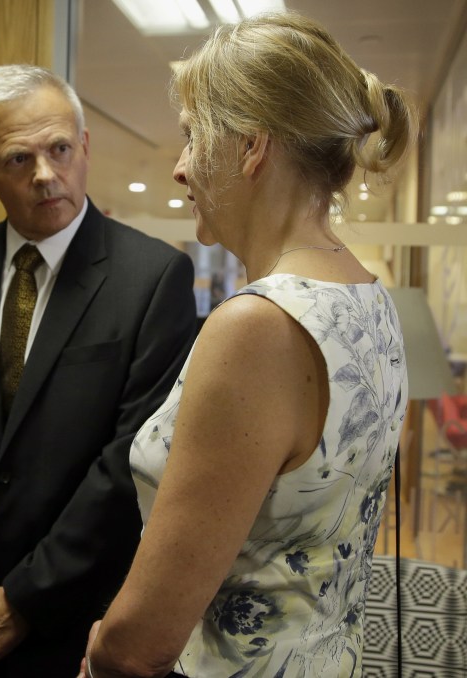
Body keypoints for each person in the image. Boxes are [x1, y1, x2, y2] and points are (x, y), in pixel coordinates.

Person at [81, 12, 415, 678]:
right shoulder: (365, 292)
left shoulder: (258, 325)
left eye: (191, 137)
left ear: (252, 148)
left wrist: (100, 648)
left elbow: (142, 645)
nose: (180, 168)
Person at [0, 65, 197, 677]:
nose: (45, 175)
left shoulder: (154, 278)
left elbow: (129, 462)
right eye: (18, 159)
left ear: (84, 146)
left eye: (59, 149)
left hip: (75, 626)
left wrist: (22, 600)